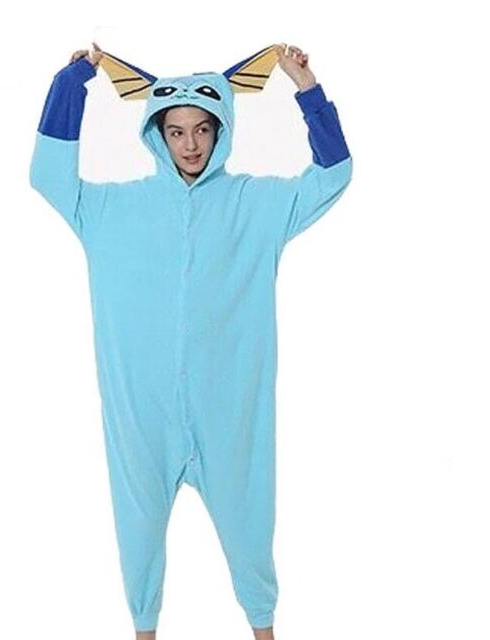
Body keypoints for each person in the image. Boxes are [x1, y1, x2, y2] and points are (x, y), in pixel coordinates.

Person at [29, 41, 352, 640]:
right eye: (175, 131)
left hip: (230, 411)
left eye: (203, 128)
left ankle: (264, 628)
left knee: (250, 535)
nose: (191, 144)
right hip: (141, 414)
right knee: (139, 538)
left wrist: (307, 89)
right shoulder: (109, 209)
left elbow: (334, 175)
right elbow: (47, 175)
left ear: (222, 129)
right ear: (156, 133)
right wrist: (71, 84)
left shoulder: (256, 204)